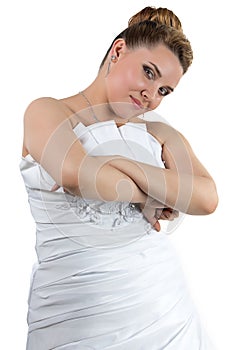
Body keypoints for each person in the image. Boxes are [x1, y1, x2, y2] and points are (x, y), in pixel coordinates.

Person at [20, 5, 218, 350]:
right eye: (148, 72)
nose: (151, 95)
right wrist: (159, 193)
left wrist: (114, 163)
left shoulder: (159, 131)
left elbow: (206, 197)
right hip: (76, 313)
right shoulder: (48, 110)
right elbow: (76, 176)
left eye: (164, 91)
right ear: (118, 50)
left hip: (163, 307)